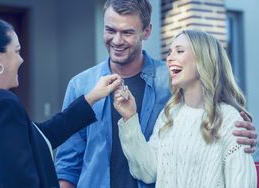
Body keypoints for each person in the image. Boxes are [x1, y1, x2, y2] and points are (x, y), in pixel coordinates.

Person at [55, 1, 257, 188]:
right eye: (110, 30)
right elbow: (67, 164)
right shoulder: (81, 85)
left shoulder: (171, 82)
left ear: (146, 31)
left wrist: (241, 131)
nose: (116, 40)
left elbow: (211, 117)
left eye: (127, 32)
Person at [0, 15, 121, 188]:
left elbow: (40, 136)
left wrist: (91, 98)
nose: (21, 59)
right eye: (16, 51)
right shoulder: (2, 105)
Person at [114, 30, 257, 187]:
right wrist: (130, 117)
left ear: (204, 59)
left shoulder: (229, 120)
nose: (169, 58)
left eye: (180, 51)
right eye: (169, 52)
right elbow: (148, 172)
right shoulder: (169, 115)